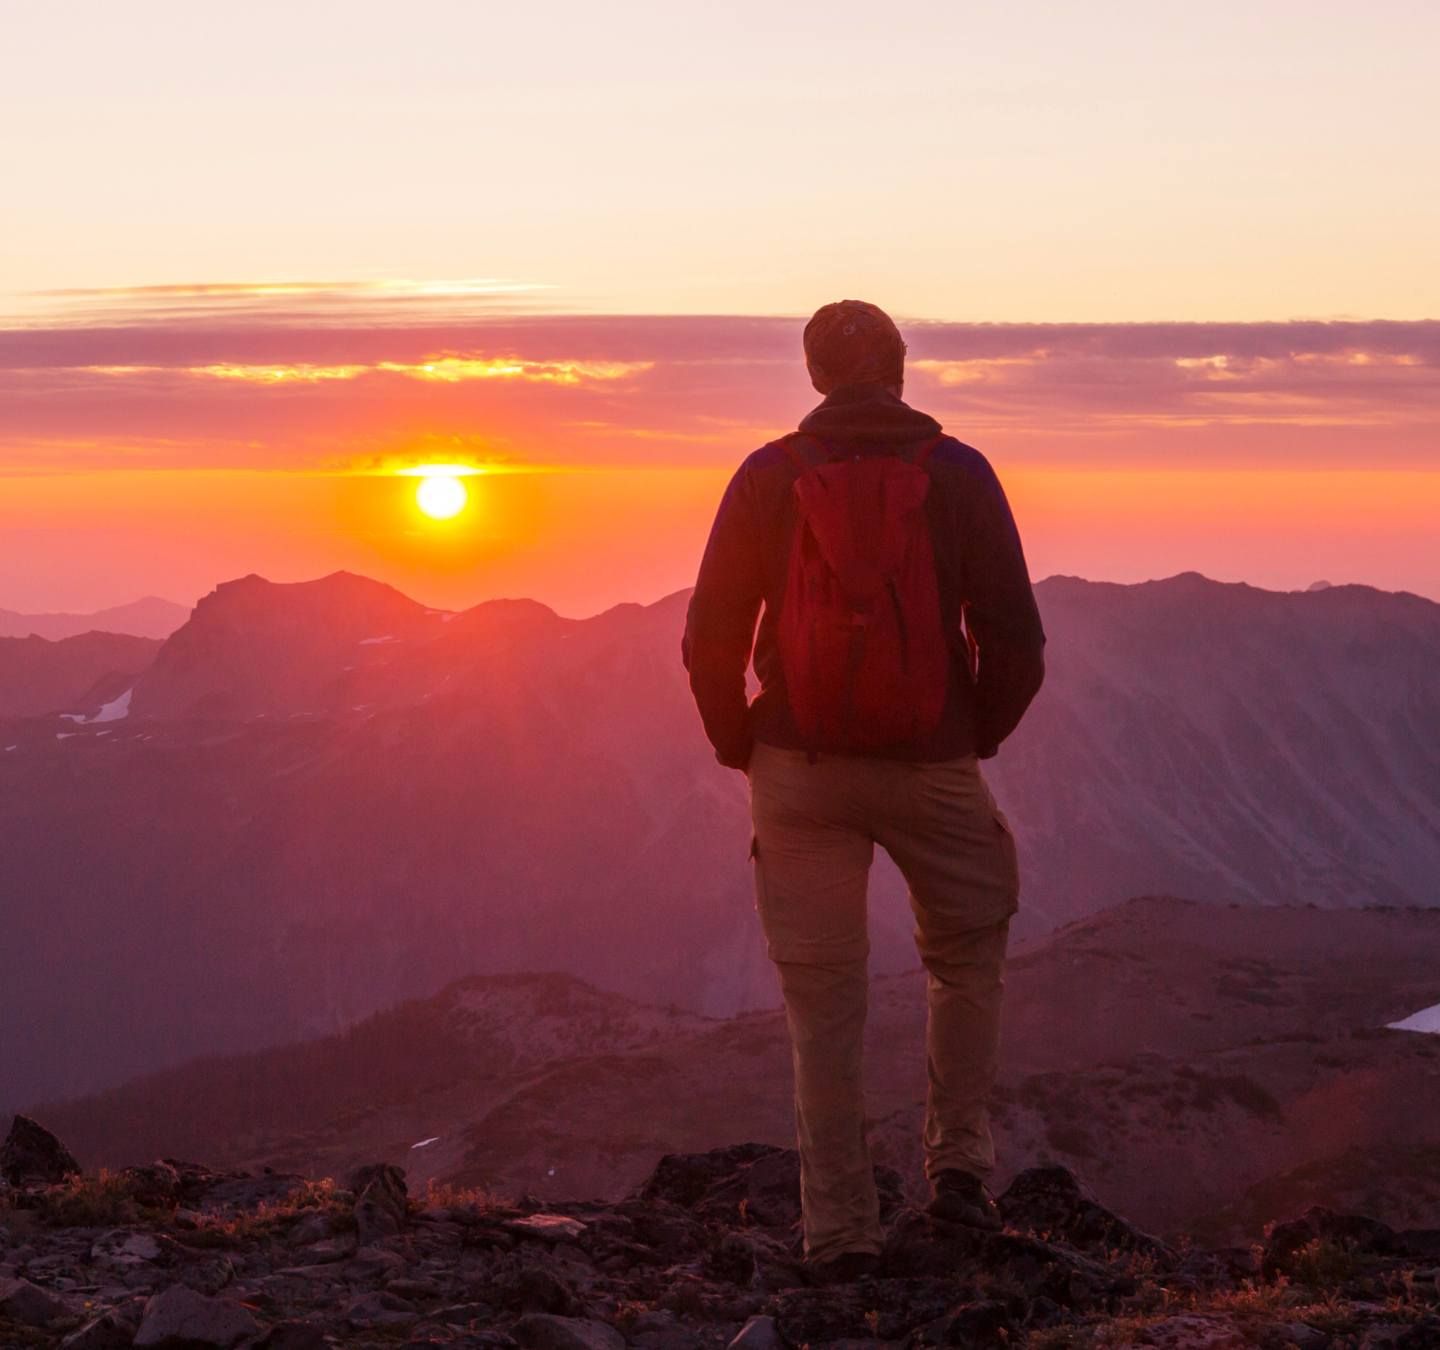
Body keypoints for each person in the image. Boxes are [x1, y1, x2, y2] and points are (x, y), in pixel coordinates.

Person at [681, 299, 1046, 1282]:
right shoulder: (959, 474)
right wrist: (968, 736)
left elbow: (708, 637)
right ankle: (960, 1175)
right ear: (900, 369)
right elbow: (1016, 638)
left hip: (798, 775)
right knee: (966, 956)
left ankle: (840, 1235)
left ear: (814, 379)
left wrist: (743, 747)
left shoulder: (769, 476)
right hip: (934, 767)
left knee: (824, 1004)